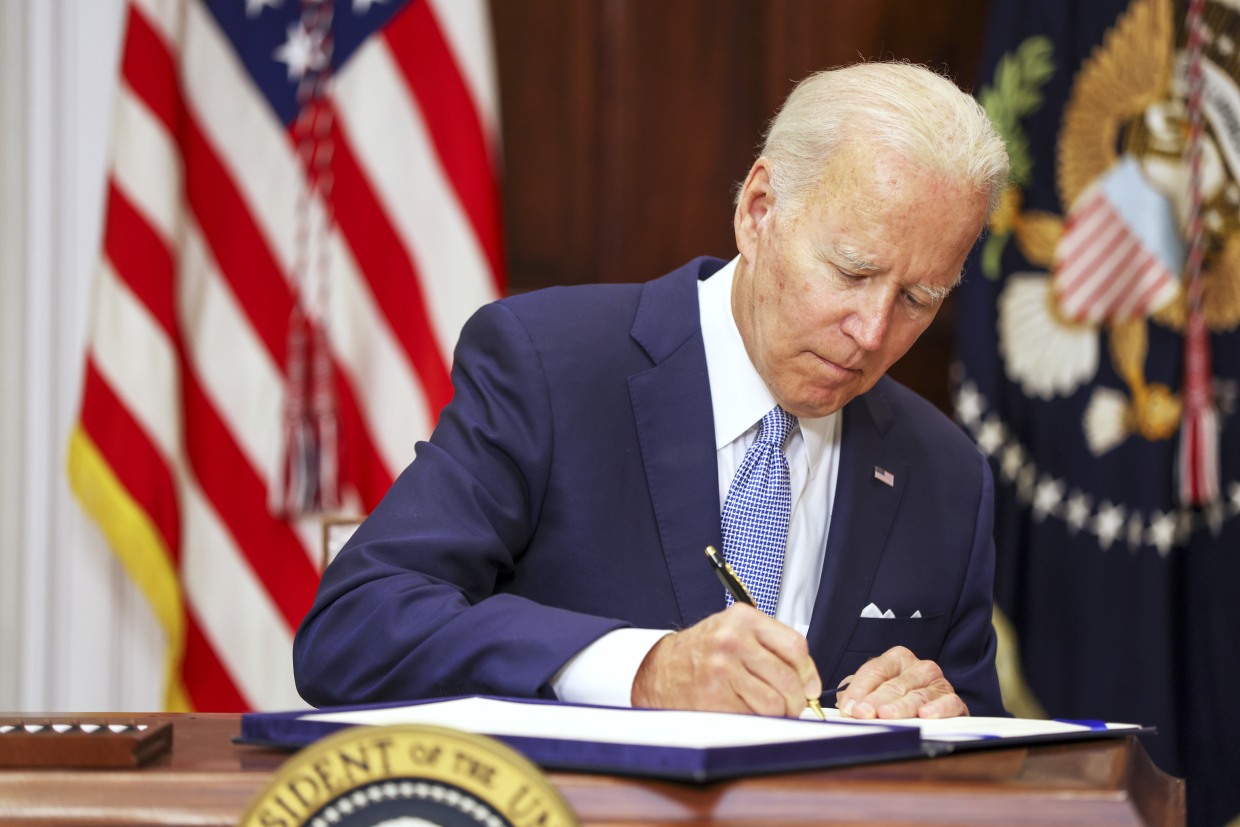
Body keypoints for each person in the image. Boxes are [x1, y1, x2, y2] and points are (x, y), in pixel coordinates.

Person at [294, 61, 1011, 720]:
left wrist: (943, 720)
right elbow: (355, 629)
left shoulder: (946, 475)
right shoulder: (549, 367)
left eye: (919, 298)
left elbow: (995, 766)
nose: (873, 330)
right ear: (759, 210)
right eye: (852, 272)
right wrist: (640, 668)